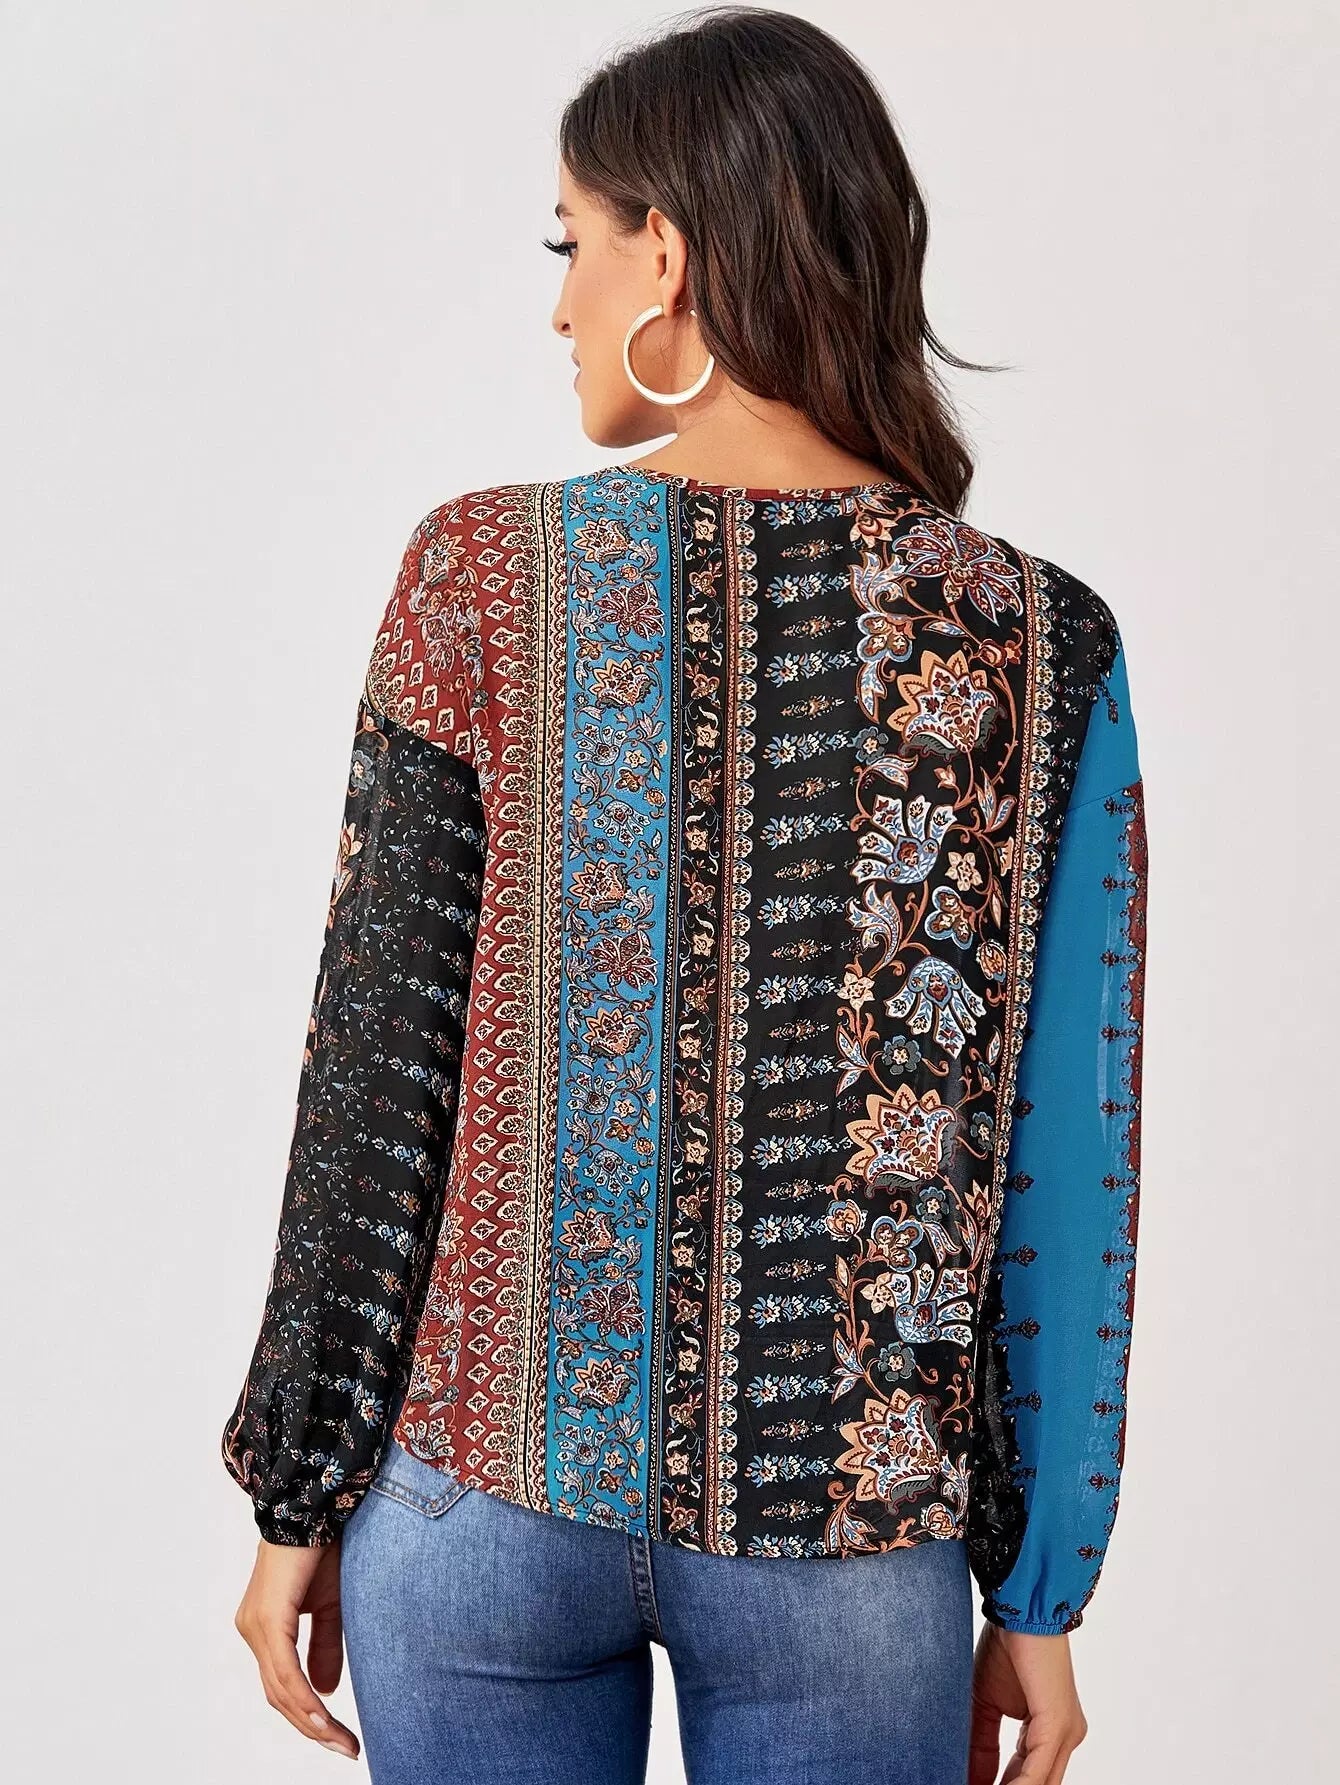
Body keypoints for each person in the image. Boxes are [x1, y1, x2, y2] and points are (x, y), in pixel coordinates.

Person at [220, 9, 1149, 1782]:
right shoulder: (1038, 641)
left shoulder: (481, 574)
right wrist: (1039, 1591)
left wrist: (300, 1486)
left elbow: (374, 1077)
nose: (558, 304)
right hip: (847, 1541)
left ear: (669, 254)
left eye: (569, 243)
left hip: (485, 1492)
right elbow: (1067, 1155)